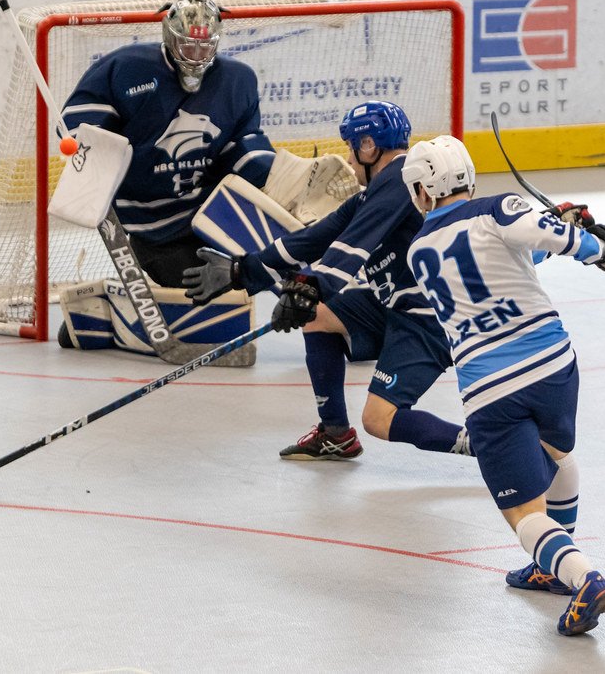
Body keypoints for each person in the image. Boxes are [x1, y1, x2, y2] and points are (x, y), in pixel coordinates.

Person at [400, 135, 605, 636]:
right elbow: (543, 243)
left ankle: (583, 579)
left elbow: (488, 267)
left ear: (423, 191)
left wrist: (561, 229)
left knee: (522, 515)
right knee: (556, 457)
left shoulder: (417, 251)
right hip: (554, 363)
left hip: (491, 387)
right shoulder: (499, 208)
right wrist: (595, 244)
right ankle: (551, 569)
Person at [183, 101, 471, 461]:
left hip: (428, 320)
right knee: (318, 315)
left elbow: (353, 247)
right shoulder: (374, 193)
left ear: (369, 146)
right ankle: (335, 433)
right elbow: (309, 240)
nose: (349, 161)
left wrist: (312, 284)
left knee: (379, 419)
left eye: (351, 148)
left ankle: (491, 446)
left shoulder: (401, 180)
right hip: (395, 306)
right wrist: (241, 271)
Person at [59, 0, 276, 289]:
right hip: (147, 221)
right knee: (190, 287)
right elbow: (80, 120)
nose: (196, 55)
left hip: (209, 213)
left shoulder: (238, 79)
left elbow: (241, 148)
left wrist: (277, 177)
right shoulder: (126, 67)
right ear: (168, 36)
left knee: (245, 276)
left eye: (205, 46)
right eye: (188, 44)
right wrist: (86, 144)